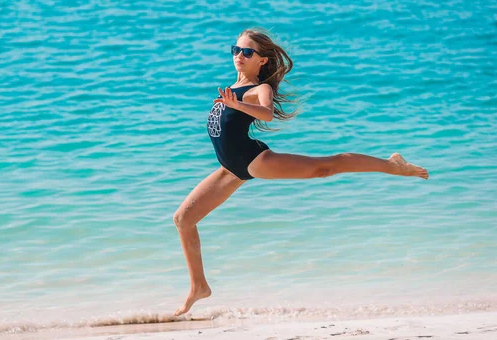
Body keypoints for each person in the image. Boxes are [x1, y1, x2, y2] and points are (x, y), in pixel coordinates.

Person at [172, 28, 429, 316]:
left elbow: (267, 113)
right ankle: (199, 287)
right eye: (236, 50)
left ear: (262, 61)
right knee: (183, 219)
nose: (239, 56)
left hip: (255, 159)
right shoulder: (230, 91)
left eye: (247, 52)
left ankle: (393, 165)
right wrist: (233, 102)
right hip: (229, 169)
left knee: (325, 167)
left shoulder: (258, 90)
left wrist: (238, 104)